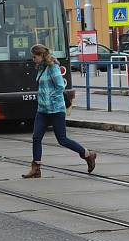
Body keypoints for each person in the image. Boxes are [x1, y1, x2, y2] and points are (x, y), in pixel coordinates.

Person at [22, 44, 96, 179]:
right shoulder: (41, 68)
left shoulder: (52, 68)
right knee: (36, 137)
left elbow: (60, 86)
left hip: (56, 109)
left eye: (35, 56)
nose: (33, 59)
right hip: (43, 110)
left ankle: (87, 154)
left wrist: (50, 100)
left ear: (41, 55)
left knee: (62, 139)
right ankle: (36, 168)